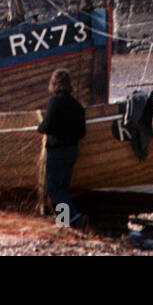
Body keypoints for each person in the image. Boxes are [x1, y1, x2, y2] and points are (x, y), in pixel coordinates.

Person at [37, 69, 86, 228]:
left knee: (54, 189)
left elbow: (47, 125)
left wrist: (40, 128)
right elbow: (82, 132)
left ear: (54, 84)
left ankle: (74, 219)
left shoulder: (55, 102)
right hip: (71, 151)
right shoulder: (77, 105)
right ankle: (65, 221)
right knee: (63, 188)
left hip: (57, 150)